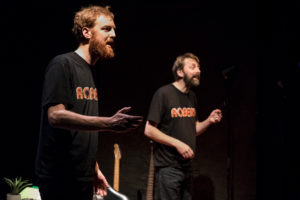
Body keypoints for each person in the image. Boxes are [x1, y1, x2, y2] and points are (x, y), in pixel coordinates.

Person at [35, 5, 143, 200]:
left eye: (114, 29)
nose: (114, 34)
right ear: (86, 32)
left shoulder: (92, 71)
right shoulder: (62, 64)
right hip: (59, 177)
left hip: (83, 177)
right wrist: (109, 123)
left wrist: (94, 170)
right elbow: (55, 116)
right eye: (106, 29)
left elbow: (81, 127)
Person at [144, 52, 222, 200]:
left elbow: (194, 130)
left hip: (187, 168)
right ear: (180, 72)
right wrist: (177, 143)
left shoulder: (191, 96)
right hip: (168, 169)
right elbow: (149, 130)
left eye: (199, 67)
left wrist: (209, 121)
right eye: (192, 67)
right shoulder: (164, 94)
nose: (198, 71)